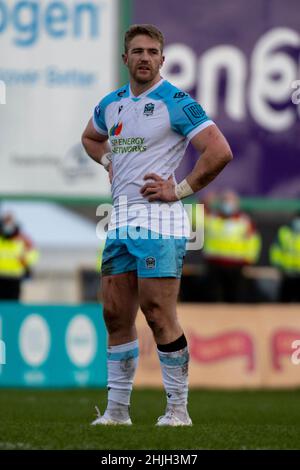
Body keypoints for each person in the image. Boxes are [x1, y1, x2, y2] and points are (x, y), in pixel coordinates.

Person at [82, 24, 232, 426]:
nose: (145, 57)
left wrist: (178, 188)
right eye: (138, 51)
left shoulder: (175, 102)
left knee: (157, 312)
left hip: (160, 224)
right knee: (115, 314)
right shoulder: (110, 104)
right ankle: (116, 413)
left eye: (152, 52)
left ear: (162, 60)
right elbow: (90, 139)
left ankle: (178, 410)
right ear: (125, 58)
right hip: (120, 223)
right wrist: (109, 162)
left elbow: (219, 151)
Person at [203, 191, 261, 302]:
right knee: (213, 299)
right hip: (214, 264)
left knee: (235, 299)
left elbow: (253, 241)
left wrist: (250, 259)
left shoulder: (244, 221)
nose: (227, 203)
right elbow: (196, 219)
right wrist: (204, 203)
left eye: (230, 200)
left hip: (237, 266)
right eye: (225, 200)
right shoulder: (212, 218)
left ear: (237, 203)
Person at [0, 213, 39, 300]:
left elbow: (33, 254)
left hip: (15, 278)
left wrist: (25, 260)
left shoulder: (22, 240)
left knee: (13, 304)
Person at [270, 212, 300, 302]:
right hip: (287, 272)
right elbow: (276, 249)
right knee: (284, 300)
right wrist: (278, 265)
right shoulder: (284, 232)